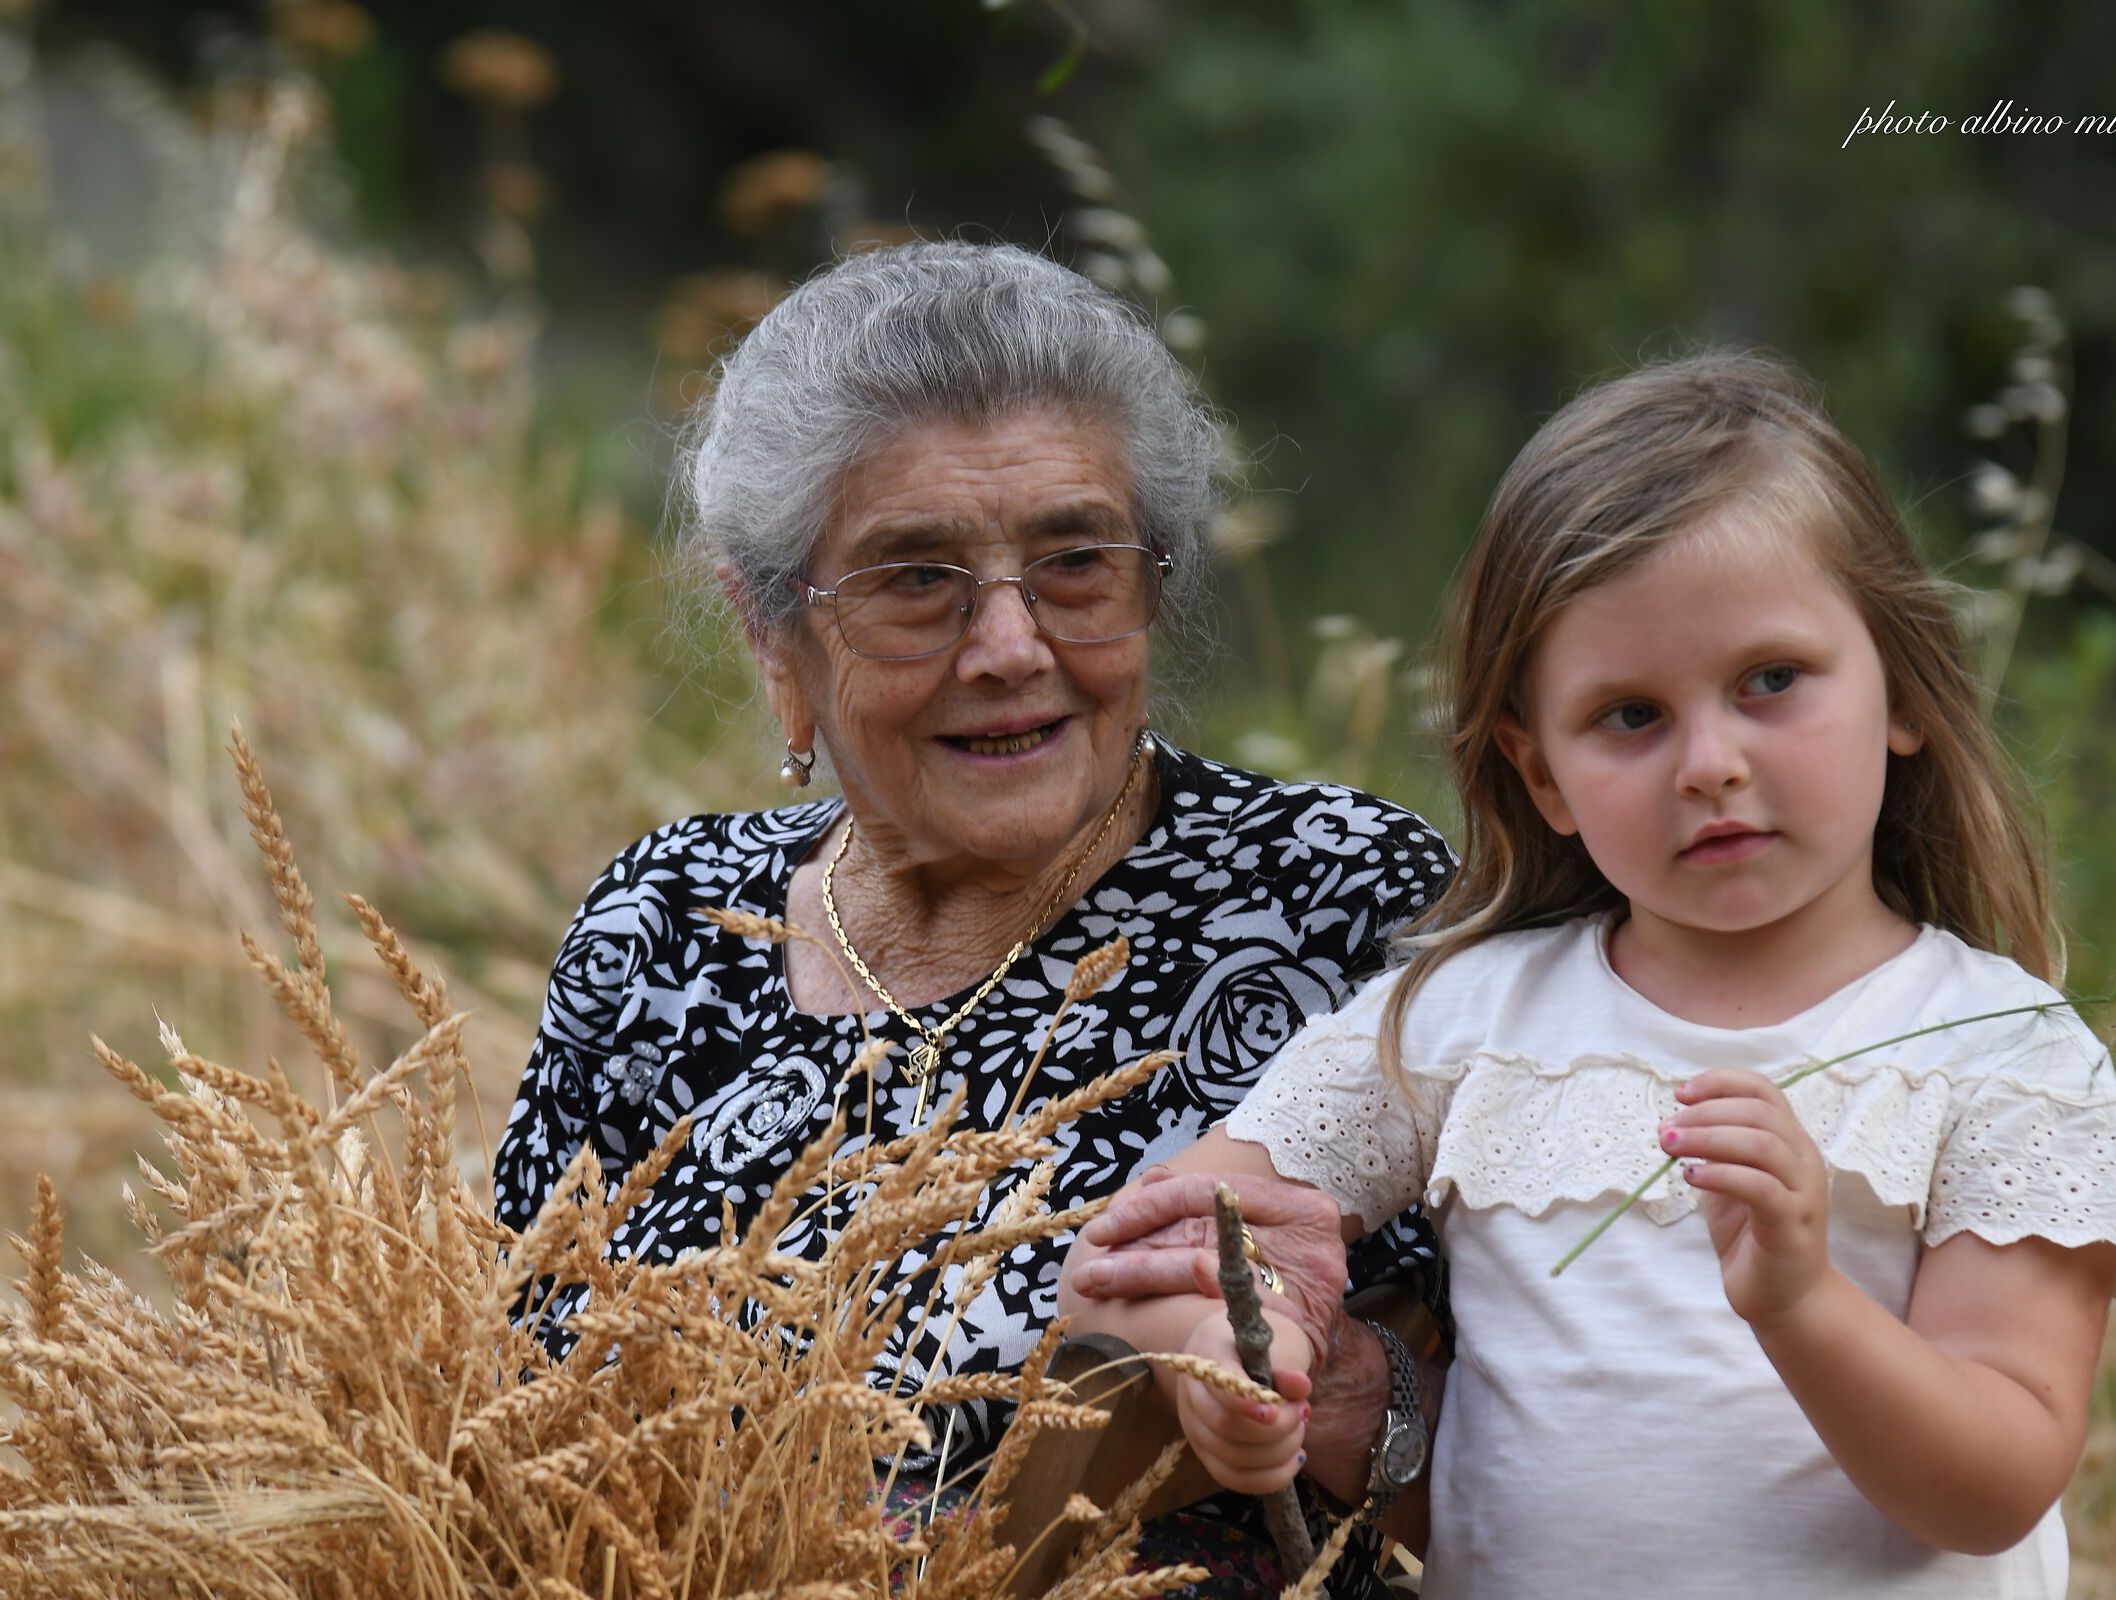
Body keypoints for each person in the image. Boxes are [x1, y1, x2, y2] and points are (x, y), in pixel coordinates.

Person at [1063, 352, 2116, 1597]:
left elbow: (1998, 1482)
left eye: (1771, 681)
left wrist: (1803, 1303)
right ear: (1541, 771)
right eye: (1631, 716)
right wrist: (1225, 1352)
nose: (1709, 762)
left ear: (1903, 690)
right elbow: (1140, 1254)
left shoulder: (2000, 1050)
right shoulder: (1465, 1019)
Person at [489, 240, 1453, 1597]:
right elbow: (500, 1417)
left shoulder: (1335, 901)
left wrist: (1341, 1395)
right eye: (914, 579)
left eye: (1076, 562)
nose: (1009, 646)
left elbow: (1586, 1427)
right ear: (772, 635)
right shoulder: (661, 928)